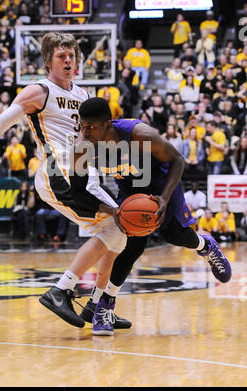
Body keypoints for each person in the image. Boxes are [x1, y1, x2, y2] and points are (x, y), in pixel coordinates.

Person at [0, 31, 128, 332]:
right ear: (48, 60)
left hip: (85, 174)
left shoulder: (84, 96)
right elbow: (2, 123)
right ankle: (61, 291)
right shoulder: (39, 91)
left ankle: (99, 306)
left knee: (122, 233)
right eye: (62, 56)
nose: (68, 60)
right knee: (116, 231)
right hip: (56, 174)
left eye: (72, 55)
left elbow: (90, 141)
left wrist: (111, 165)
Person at [76, 98, 232, 334]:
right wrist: (112, 210)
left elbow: (178, 160)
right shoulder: (82, 146)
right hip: (131, 189)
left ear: (108, 124)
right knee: (131, 246)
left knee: (175, 236)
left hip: (162, 181)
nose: (85, 132)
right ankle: (104, 306)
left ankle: (205, 245)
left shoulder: (139, 134)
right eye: (82, 125)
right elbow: (77, 192)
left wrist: (164, 199)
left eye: (91, 126)